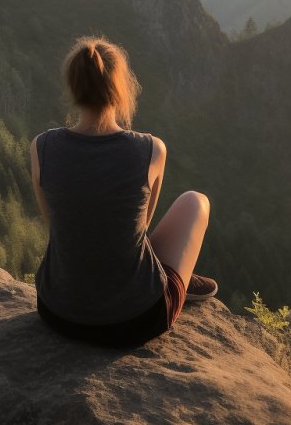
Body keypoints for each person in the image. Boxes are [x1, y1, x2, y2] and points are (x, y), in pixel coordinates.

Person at [31, 35, 217, 348]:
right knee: (196, 202)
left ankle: (167, 277)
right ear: (120, 89)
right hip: (136, 321)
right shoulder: (151, 149)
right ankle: (176, 280)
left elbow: (58, 230)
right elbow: (139, 229)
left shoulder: (42, 147)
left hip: (58, 313)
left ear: (73, 88)